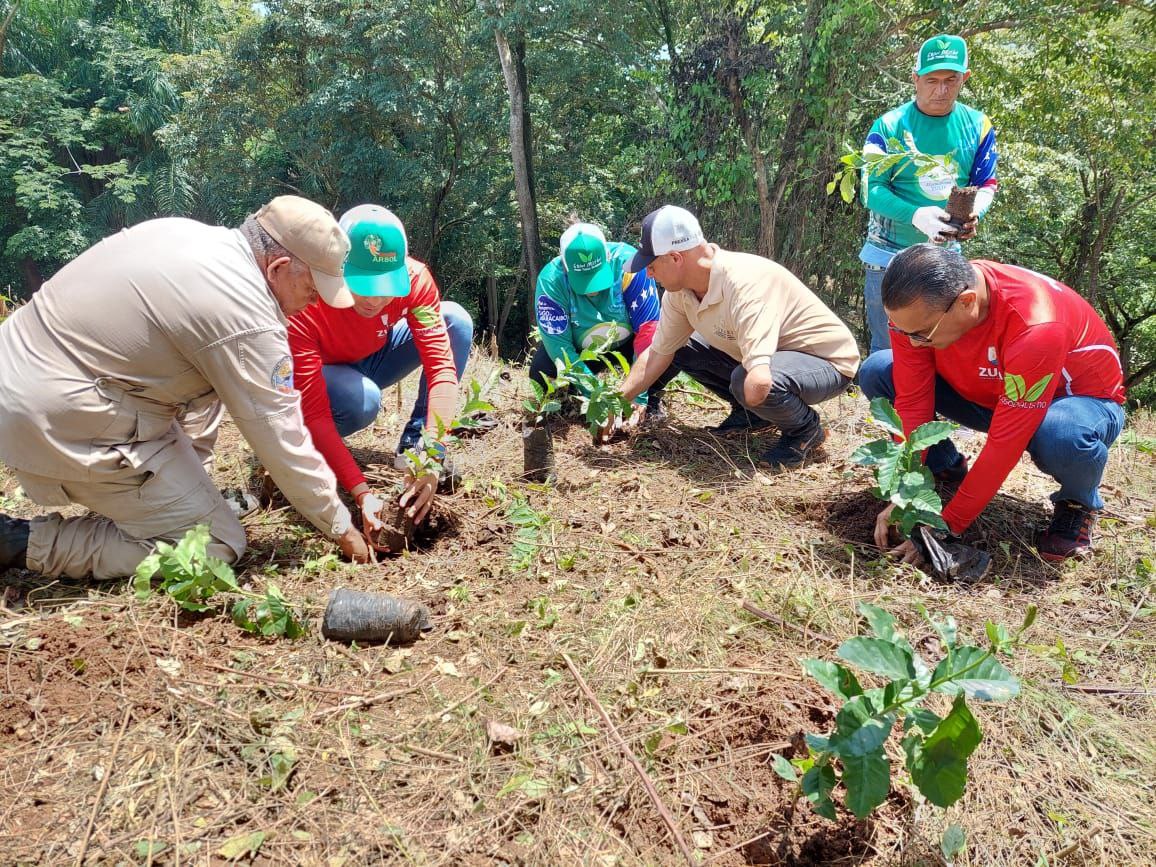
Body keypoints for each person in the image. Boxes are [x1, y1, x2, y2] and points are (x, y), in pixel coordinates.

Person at [0, 196, 371, 579]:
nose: (313, 304)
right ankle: (22, 542)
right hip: (56, 417)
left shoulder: (190, 236)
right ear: (278, 268)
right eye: (312, 290)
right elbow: (280, 437)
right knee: (213, 544)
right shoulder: (245, 315)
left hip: (23, 371)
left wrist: (195, 484)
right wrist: (340, 526)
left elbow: (201, 394)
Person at [859, 244, 1126, 561]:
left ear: (967, 303)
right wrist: (906, 491)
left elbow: (1005, 444)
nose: (912, 343)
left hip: (1071, 404)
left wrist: (945, 524)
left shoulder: (1036, 326)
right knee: (879, 370)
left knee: (1063, 437)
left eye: (921, 335)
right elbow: (913, 400)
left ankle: (1078, 503)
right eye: (903, 331)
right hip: (989, 394)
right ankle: (942, 467)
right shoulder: (929, 304)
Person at [620, 205, 861, 469]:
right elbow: (658, 352)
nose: (649, 273)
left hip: (826, 363)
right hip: (767, 363)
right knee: (683, 346)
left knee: (746, 380)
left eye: (652, 265)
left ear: (676, 258)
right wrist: (617, 401)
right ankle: (752, 416)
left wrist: (754, 397)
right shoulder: (680, 294)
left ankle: (804, 430)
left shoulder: (744, 283)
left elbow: (759, 380)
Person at [287, 204, 472, 534]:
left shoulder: (416, 280)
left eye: (386, 287)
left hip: (373, 355)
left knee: (455, 320)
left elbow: (442, 368)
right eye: (363, 286)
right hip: (325, 375)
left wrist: (433, 454)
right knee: (363, 402)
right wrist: (361, 493)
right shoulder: (306, 296)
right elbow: (314, 412)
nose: (374, 300)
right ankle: (301, 451)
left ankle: (414, 444)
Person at [859, 33, 999, 353]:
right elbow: (872, 190)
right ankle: (885, 405)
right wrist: (917, 215)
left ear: (965, 77)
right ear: (915, 79)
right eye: (932, 80)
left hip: (945, 263)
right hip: (888, 258)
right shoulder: (889, 125)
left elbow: (987, 183)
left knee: (944, 350)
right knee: (889, 351)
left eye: (951, 80)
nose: (941, 90)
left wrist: (976, 210)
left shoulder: (977, 125)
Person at [531, 221, 672, 437]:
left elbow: (649, 331)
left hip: (628, 346)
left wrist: (639, 394)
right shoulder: (551, 283)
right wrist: (600, 398)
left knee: (671, 346)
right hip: (583, 352)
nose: (593, 291)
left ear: (607, 257)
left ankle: (650, 400)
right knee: (541, 370)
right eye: (583, 282)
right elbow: (562, 352)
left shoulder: (629, 266)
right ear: (566, 268)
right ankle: (571, 397)